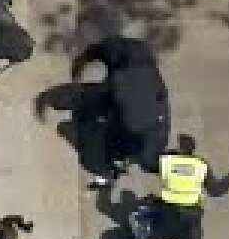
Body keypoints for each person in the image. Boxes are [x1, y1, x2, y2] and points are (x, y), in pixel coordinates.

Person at [71, 35, 170, 179]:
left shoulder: (118, 81)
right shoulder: (148, 73)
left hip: (136, 121)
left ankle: (111, 163)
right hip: (148, 119)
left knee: (98, 124)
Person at [128, 134, 214, 239]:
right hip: (191, 211)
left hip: (167, 207)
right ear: (192, 150)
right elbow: (217, 190)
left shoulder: (168, 161)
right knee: (195, 232)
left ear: (180, 148)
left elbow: (147, 165)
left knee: (154, 218)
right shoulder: (201, 165)